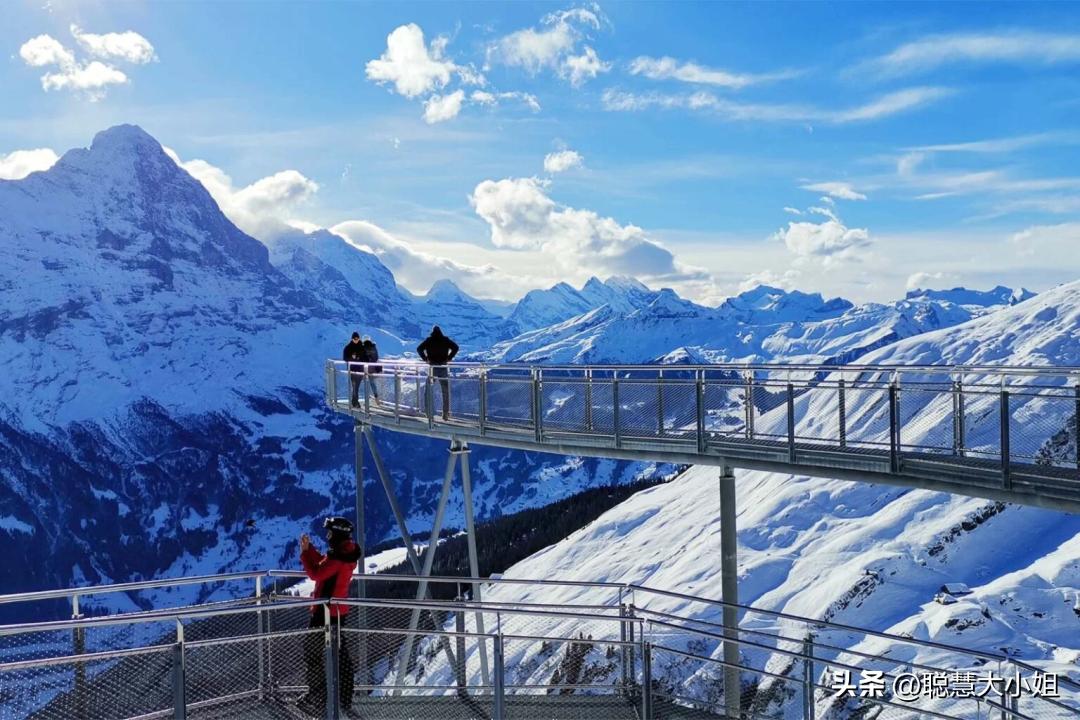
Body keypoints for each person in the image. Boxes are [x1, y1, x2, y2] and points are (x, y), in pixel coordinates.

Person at [297, 516, 362, 715]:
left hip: (325, 613)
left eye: (330, 533)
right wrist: (310, 551)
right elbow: (325, 565)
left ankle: (318, 699)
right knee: (339, 655)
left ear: (337, 534)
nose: (328, 536)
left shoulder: (338, 558)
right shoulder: (345, 554)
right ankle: (343, 698)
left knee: (314, 654)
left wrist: (305, 554)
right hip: (338, 611)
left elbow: (317, 573)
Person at [416, 325, 458, 420]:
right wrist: (449, 358)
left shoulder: (429, 340)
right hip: (443, 367)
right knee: (445, 391)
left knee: (428, 390)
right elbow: (456, 347)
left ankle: (428, 412)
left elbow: (419, 349)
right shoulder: (445, 340)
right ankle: (445, 414)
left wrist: (425, 359)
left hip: (433, 367)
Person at [342, 332, 365, 408]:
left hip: (360, 369)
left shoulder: (362, 346)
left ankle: (354, 401)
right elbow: (345, 358)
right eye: (355, 339)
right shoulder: (348, 347)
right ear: (352, 339)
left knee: (356, 386)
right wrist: (352, 358)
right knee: (355, 386)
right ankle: (355, 402)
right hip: (352, 369)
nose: (356, 340)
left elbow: (365, 357)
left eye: (357, 338)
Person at [361, 335, 381, 404]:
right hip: (374, 368)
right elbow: (376, 357)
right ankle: (376, 397)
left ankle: (367, 400)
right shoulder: (373, 347)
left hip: (365, 368)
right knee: (372, 383)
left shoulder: (363, 347)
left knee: (365, 383)